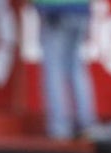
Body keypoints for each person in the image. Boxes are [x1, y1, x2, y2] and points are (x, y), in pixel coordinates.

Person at [33, 0, 99, 140]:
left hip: (55, 9)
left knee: (53, 68)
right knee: (76, 67)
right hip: (80, 8)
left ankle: (59, 127)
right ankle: (87, 123)